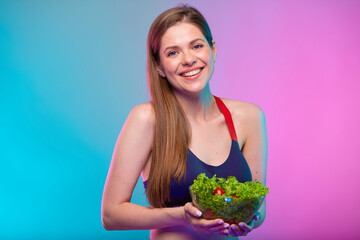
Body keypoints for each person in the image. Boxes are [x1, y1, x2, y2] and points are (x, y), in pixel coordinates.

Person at [101, 5, 267, 240]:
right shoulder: (147, 119)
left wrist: (251, 219)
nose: (189, 59)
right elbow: (111, 215)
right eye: (173, 52)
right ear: (159, 66)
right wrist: (181, 215)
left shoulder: (249, 117)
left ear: (213, 49)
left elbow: (259, 207)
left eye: (197, 46)